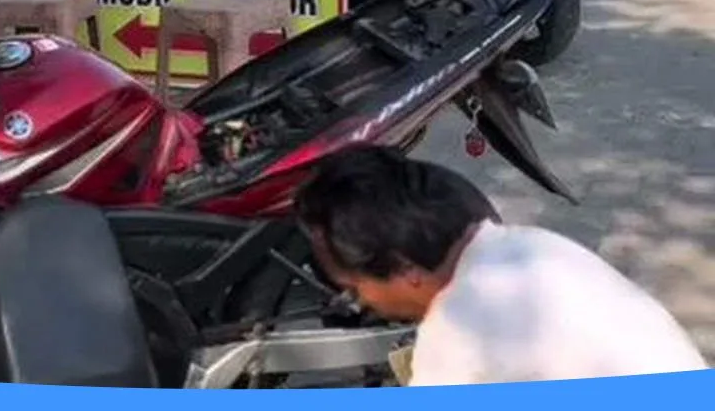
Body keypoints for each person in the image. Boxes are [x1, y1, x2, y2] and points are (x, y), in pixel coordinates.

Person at [295, 145, 708, 385]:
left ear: (406, 270)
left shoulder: (458, 333)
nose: (361, 304)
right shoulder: (535, 245)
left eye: (356, 289)